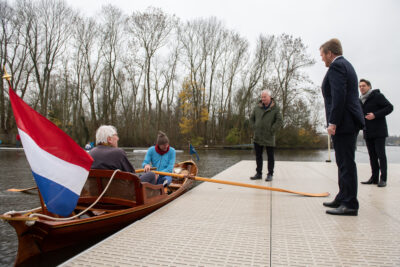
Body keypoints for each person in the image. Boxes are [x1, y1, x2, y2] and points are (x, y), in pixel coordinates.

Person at [320, 38, 365, 216]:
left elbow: (339, 96)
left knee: (346, 163)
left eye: (322, 55)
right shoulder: (346, 65)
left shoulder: (337, 66)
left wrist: (333, 123)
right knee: (343, 162)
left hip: (344, 123)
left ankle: (350, 203)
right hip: (347, 121)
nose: (322, 59)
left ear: (330, 54)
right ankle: (343, 196)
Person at [89, 125, 156, 184]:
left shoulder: (91, 153)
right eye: (116, 135)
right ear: (109, 139)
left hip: (97, 194)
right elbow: (133, 176)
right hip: (120, 194)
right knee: (151, 175)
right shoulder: (118, 153)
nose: (118, 138)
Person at [359, 79, 393, 187]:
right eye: (360, 86)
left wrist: (375, 114)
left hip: (379, 131)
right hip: (367, 131)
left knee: (380, 155)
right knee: (372, 156)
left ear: (369, 86)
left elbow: (390, 107)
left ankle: (383, 179)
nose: (361, 88)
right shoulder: (360, 100)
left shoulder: (377, 96)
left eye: (364, 86)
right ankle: (374, 178)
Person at [249, 89, 283, 182]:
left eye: (265, 97)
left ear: (270, 97)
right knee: (258, 156)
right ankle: (259, 173)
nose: (263, 98)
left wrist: (272, 130)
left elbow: (279, 121)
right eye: (262, 97)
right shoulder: (256, 107)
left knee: (270, 156)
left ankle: (270, 174)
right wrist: (254, 127)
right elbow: (251, 119)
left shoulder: (275, 108)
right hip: (258, 136)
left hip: (269, 136)